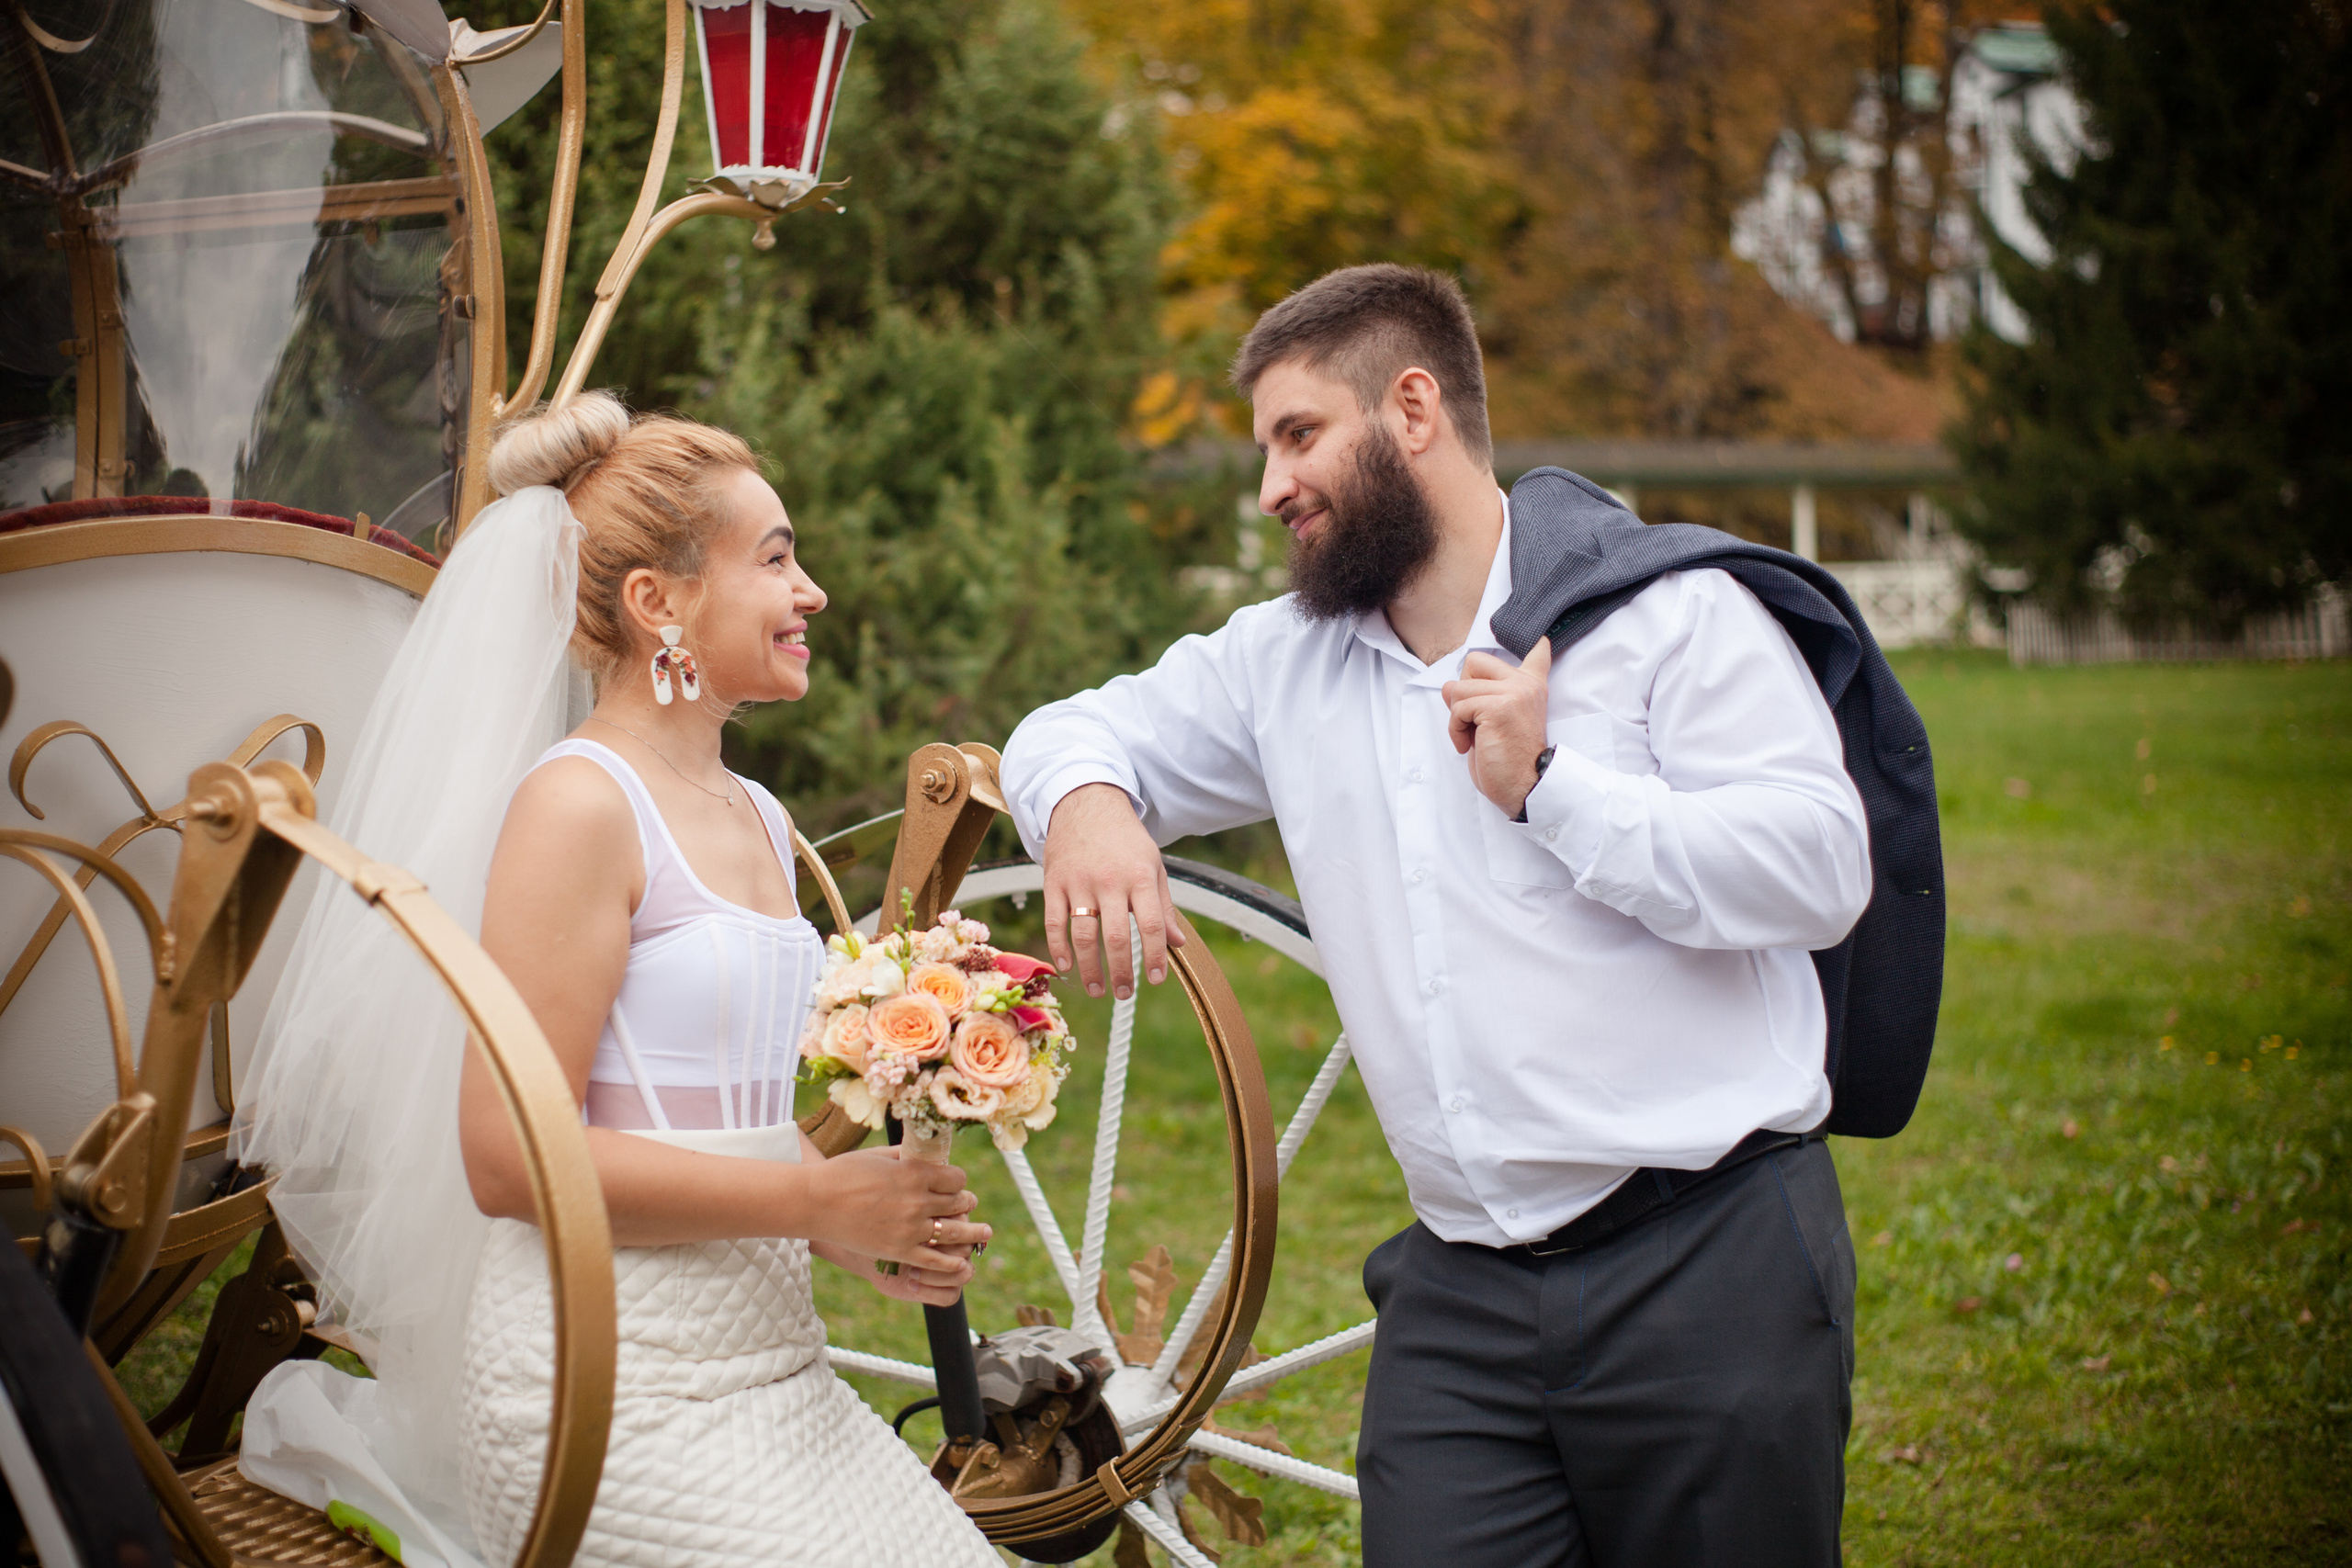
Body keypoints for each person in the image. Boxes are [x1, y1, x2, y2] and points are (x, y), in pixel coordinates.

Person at [1001, 265, 1872, 1568]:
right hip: (1462, 1294)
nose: (1270, 486)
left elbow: (1820, 868)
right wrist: (1086, 807)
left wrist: (1554, 790)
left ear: (1412, 410)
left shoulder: (1667, 614)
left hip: (1706, 1262)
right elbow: (1070, 729)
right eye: (1265, 449)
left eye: (1299, 435)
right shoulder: (1284, 661)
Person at [234, 393, 999, 1568]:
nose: (811, 593)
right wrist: (812, 1204)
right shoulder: (578, 806)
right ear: (658, 603)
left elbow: (708, 1115)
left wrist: (856, 1224)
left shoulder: (756, 810)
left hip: (772, 1369)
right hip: (604, 1391)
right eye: (775, 560)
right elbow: (508, 1158)